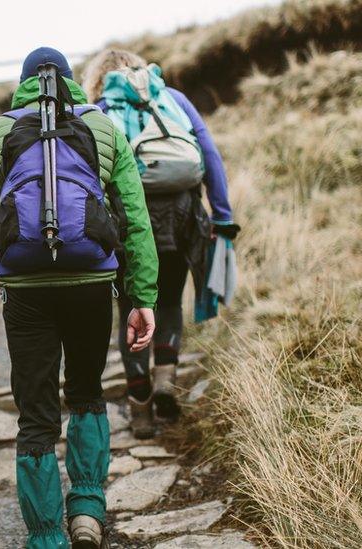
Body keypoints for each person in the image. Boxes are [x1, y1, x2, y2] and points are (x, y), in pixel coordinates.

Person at [0, 47, 158, 548]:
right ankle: (87, 509)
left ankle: (47, 537)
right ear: (69, 81)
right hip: (91, 282)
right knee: (87, 391)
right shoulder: (104, 128)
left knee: (35, 413)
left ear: (22, 84)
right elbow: (134, 218)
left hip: (24, 292)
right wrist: (141, 296)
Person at [81, 49, 238, 439]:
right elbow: (210, 155)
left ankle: (140, 408)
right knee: (167, 301)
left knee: (131, 307)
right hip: (183, 217)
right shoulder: (172, 100)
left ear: (99, 78)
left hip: (128, 224)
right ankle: (166, 378)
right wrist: (221, 214)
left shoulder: (98, 111)